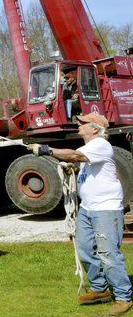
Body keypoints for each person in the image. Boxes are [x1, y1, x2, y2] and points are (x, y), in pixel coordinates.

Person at [28, 113, 132, 315]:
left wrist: (47, 150)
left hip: (105, 208)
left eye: (82, 123)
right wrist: (72, 168)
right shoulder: (89, 148)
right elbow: (80, 161)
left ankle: (122, 296)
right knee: (85, 248)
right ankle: (99, 288)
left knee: (108, 253)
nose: (78, 125)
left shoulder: (101, 145)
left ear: (95, 128)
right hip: (88, 208)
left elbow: (76, 155)